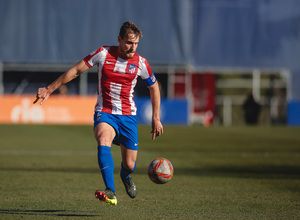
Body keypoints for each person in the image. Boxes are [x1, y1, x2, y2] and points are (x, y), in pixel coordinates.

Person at [33, 21, 163, 206]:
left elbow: (154, 87)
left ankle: (125, 176)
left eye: (135, 44)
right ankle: (110, 191)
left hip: (128, 116)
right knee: (103, 139)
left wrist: (155, 118)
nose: (132, 47)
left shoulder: (141, 63)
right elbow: (76, 70)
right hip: (105, 112)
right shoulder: (103, 54)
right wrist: (49, 89)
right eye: (128, 43)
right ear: (119, 39)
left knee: (130, 164)